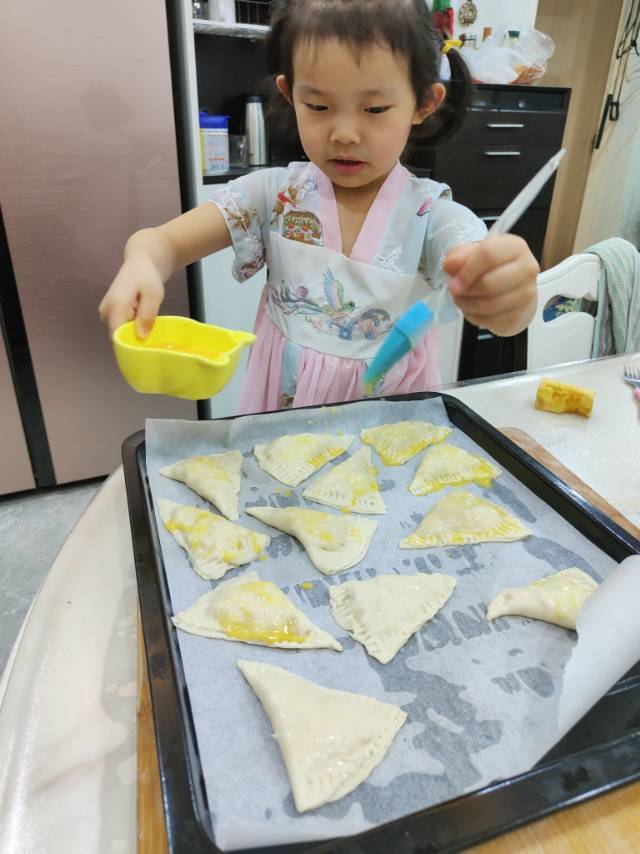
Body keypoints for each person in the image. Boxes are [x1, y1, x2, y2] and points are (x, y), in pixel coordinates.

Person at [99, 0, 539, 413]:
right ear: (290, 94)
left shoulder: (431, 218)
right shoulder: (273, 196)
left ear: (424, 103)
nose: (344, 132)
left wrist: (505, 294)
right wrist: (143, 260)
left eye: (375, 108)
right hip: (279, 413)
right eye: (319, 105)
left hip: (383, 428)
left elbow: (504, 310)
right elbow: (163, 243)